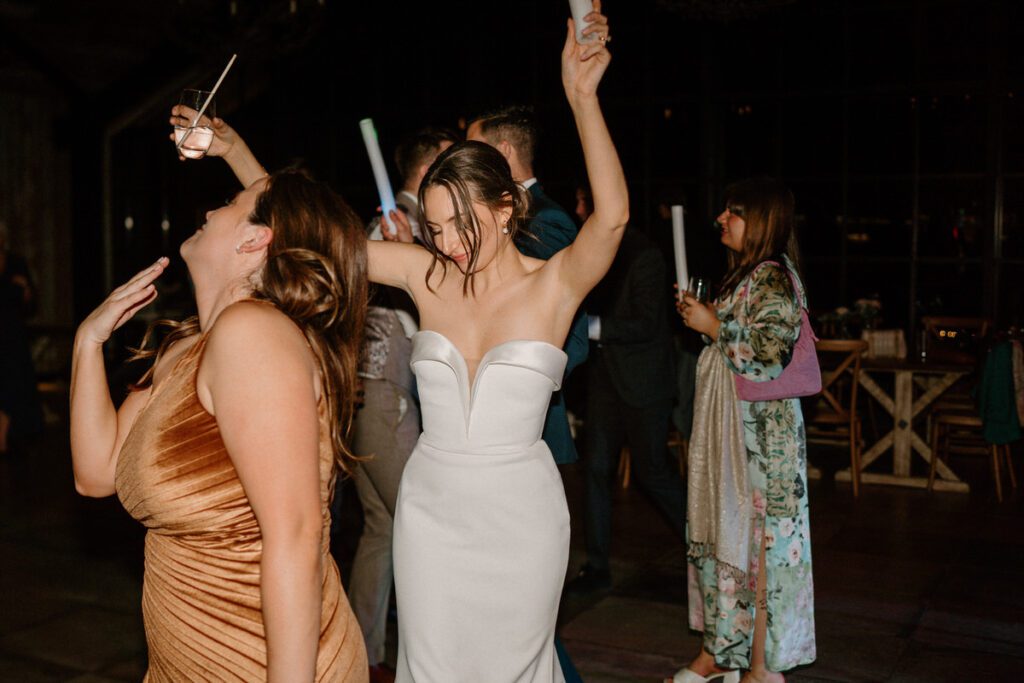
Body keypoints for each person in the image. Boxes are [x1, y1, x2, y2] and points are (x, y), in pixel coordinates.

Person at [191, 7, 619, 679]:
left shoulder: (555, 286)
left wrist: (583, 98)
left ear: (507, 207)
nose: (446, 242)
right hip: (430, 512)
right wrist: (236, 153)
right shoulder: (428, 276)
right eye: (436, 225)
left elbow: (614, 218)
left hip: (521, 519)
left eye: (460, 223)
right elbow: (314, 234)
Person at [69, 170, 370, 681]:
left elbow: (296, 535)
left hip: (257, 656)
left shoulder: (254, 334)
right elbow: (96, 474)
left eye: (232, 203)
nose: (211, 212)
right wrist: (88, 341)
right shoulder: (188, 348)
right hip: (186, 653)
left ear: (256, 239)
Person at [671, 178, 816, 683]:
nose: (721, 219)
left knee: (762, 551)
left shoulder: (774, 276)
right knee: (735, 543)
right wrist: (703, 317)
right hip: (735, 435)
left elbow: (769, 355)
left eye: (733, 212)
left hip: (763, 444)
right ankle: (725, 654)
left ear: (762, 221)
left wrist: (714, 327)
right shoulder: (745, 275)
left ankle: (760, 669)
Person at [350, 127, 455, 683]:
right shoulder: (398, 225)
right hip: (386, 399)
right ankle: (431, 659)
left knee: (383, 529)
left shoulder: (407, 225)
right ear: (430, 162)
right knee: (421, 527)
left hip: (374, 399)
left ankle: (363, 655)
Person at [568, 188, 686, 594]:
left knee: (653, 472)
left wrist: (594, 328)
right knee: (596, 471)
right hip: (604, 380)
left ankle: (704, 551)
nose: (579, 210)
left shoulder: (644, 254)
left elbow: (646, 324)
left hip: (645, 381)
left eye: (584, 202)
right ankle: (597, 566)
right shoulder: (590, 250)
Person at [466, 104, 589, 470]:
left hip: (525, 411)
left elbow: (566, 319)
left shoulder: (546, 218)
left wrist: (526, 385)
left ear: (503, 151)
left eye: (475, 148)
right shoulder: (487, 215)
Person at [0, 222, 44, 454]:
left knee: (15, 382)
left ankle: (11, 436)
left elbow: (31, 305)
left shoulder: (16, 263)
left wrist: (25, 292)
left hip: (12, 334)